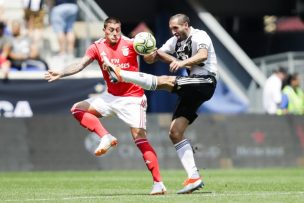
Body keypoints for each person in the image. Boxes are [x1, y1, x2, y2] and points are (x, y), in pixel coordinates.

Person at [44, 17, 166, 195]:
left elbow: (148, 59)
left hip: (133, 98)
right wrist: (61, 72)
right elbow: (80, 64)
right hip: (110, 96)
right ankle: (106, 137)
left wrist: (149, 53)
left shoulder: (131, 44)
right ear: (104, 30)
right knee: (77, 109)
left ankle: (158, 183)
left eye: (117, 29)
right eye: (111, 30)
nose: (115, 33)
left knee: (139, 139)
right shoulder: (96, 47)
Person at [105, 13, 218, 194]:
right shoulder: (174, 41)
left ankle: (120, 74)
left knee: (165, 81)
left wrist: (181, 63)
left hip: (205, 81)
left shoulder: (199, 35)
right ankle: (194, 177)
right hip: (194, 87)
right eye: (170, 28)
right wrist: (147, 51)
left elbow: (202, 55)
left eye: (176, 28)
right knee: (175, 132)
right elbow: (155, 55)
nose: (173, 32)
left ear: (186, 25)